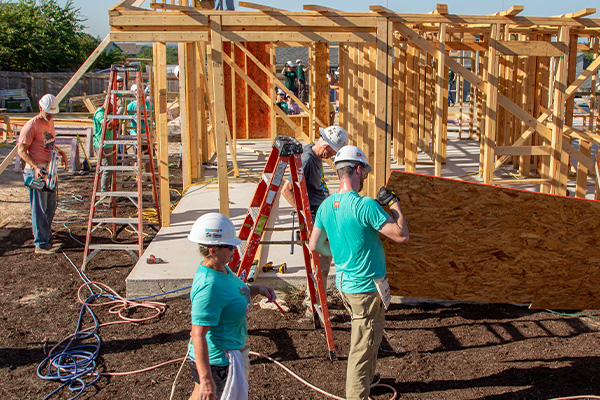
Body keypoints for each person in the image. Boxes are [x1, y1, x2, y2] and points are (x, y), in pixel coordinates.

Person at [308, 145, 409, 400]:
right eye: (363, 172)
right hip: (365, 289)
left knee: (368, 338)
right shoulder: (365, 206)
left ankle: (367, 379)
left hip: (344, 285)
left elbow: (315, 245)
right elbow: (401, 235)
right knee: (361, 349)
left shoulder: (327, 205)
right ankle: (357, 395)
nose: (364, 177)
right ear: (358, 169)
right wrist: (394, 203)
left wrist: (343, 254)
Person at [187, 212, 276, 400]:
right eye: (230, 247)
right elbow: (198, 334)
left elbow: (233, 292)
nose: (235, 251)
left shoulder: (222, 268)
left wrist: (257, 289)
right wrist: (206, 380)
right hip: (217, 363)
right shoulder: (209, 286)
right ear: (213, 250)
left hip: (222, 358)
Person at [280, 125, 348, 316]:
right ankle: (314, 304)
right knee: (322, 262)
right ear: (326, 146)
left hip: (321, 213)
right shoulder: (308, 160)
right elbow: (287, 190)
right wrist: (306, 215)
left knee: (324, 259)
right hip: (317, 216)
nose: (332, 156)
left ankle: (316, 298)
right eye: (333, 152)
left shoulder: (313, 153)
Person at [17, 94, 68, 254]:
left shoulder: (49, 122)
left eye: (52, 113)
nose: (51, 116)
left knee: (50, 206)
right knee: (39, 208)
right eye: (48, 113)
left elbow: (49, 143)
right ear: (40, 108)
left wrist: (61, 152)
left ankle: (46, 236)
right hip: (36, 172)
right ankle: (41, 244)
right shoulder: (31, 126)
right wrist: (35, 167)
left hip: (48, 170)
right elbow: (21, 150)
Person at [93, 96, 116, 193]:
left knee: (110, 168)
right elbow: (109, 126)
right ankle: (104, 191)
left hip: (109, 144)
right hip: (101, 145)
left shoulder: (109, 112)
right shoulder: (100, 113)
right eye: (112, 106)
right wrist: (117, 115)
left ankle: (108, 189)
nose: (113, 108)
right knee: (107, 168)